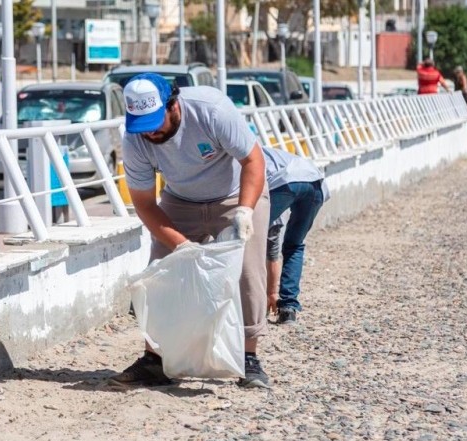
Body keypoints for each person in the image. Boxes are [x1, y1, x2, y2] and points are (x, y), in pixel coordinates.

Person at [110, 73, 272, 389]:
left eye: (155, 122)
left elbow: (253, 161)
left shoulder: (211, 109)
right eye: (143, 126)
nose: (151, 132)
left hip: (236, 193)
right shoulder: (134, 140)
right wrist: (181, 245)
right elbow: (144, 204)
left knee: (248, 271)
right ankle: (154, 359)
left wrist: (244, 210)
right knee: (161, 272)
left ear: (174, 104)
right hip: (180, 199)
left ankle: (249, 357)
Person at [263, 146, 329, 325]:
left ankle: (248, 307)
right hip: (316, 182)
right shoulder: (264, 150)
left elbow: (270, 233)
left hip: (286, 181)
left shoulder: (237, 157)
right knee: (294, 245)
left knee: (250, 241)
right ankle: (288, 310)